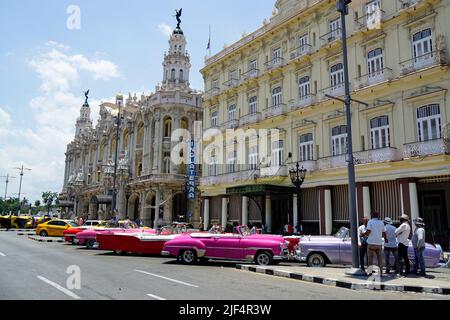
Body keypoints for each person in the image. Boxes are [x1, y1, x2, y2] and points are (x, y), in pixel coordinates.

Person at [364, 212, 387, 276]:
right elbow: (384, 232)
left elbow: (368, 231)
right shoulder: (381, 222)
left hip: (371, 243)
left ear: (372, 216)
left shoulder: (370, 222)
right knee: (380, 259)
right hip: (379, 243)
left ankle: (370, 272)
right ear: (378, 216)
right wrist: (386, 239)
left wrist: (364, 234)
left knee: (370, 258)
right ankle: (381, 273)